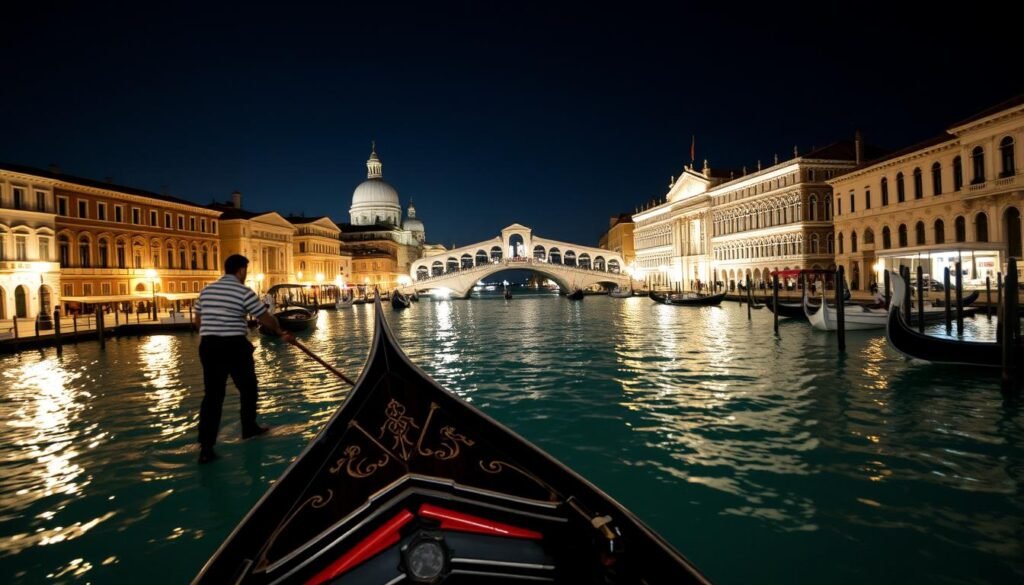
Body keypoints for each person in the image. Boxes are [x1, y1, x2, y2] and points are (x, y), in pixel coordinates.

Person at [194, 254, 295, 464]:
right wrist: (279, 331)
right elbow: (264, 317)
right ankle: (249, 428)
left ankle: (206, 448)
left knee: (213, 396)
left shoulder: (206, 290)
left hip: (209, 346)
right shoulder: (243, 292)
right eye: (245, 271)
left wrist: (210, 334)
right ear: (241, 270)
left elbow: (198, 319)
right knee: (248, 387)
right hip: (234, 345)